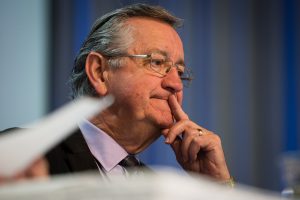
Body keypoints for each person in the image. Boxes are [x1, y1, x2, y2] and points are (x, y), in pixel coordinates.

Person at [1, 3, 232, 185]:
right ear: (100, 72)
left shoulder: (156, 186)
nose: (175, 84)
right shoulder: (20, 158)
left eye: (179, 71)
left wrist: (216, 187)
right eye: (157, 62)